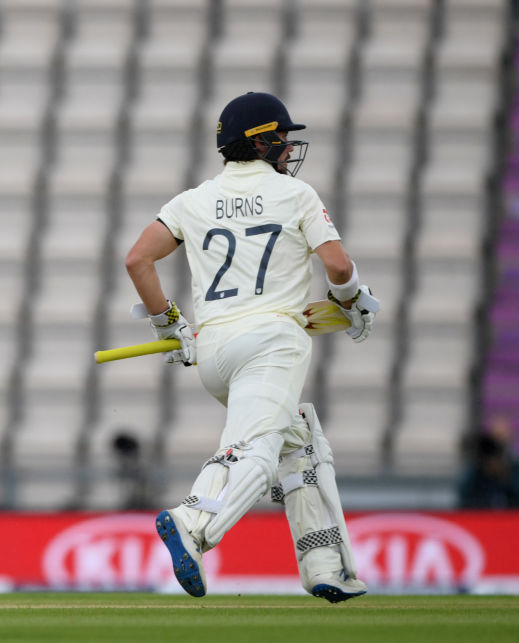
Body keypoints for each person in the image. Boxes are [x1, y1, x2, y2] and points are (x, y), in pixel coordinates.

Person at [124, 91, 379, 602]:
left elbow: (137, 261)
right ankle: (193, 522)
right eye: (282, 139)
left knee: (298, 439)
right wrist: (353, 303)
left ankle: (323, 562)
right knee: (255, 454)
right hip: (272, 345)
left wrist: (169, 327)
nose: (289, 148)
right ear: (261, 142)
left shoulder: (192, 199)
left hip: (214, 351)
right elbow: (339, 268)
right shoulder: (297, 194)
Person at [457, 416, 519, 509]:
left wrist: (504, 474)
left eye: (502, 438)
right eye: (495, 438)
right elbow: (463, 492)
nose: (499, 443)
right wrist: (483, 468)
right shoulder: (476, 470)